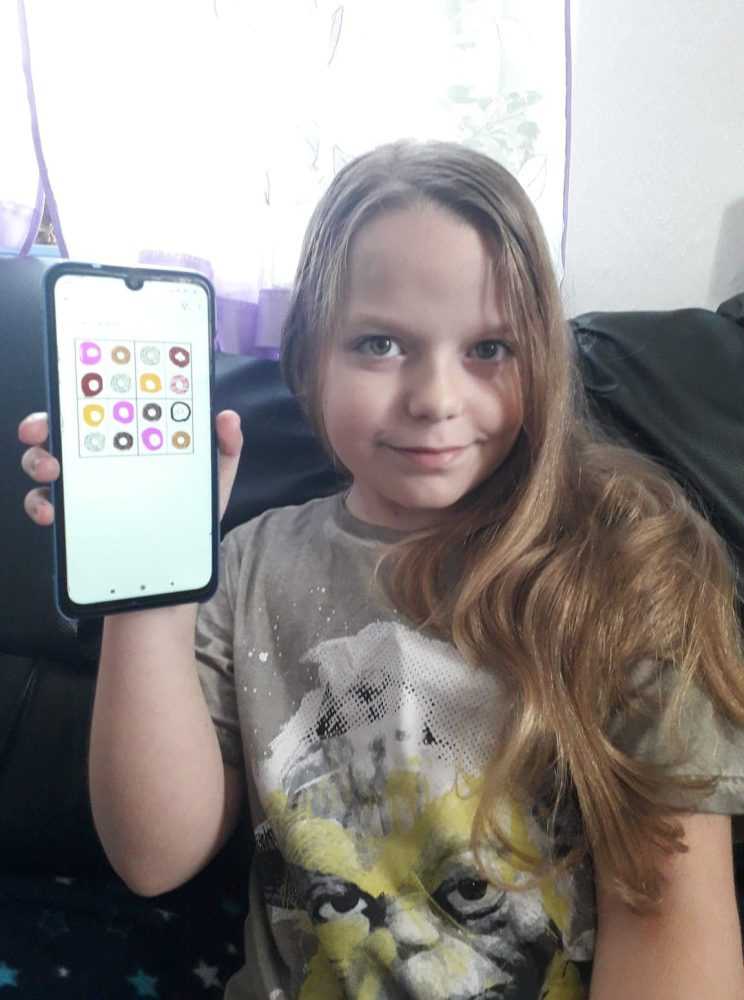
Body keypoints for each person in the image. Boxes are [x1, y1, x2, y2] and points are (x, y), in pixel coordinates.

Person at [18, 140, 744, 1000]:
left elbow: (671, 912)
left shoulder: (633, 564)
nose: (435, 398)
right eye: (379, 343)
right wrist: (150, 590)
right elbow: (153, 854)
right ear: (308, 358)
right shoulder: (246, 563)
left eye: (490, 348)